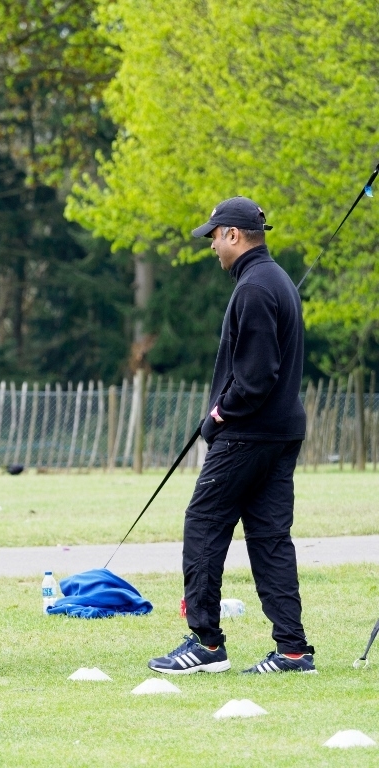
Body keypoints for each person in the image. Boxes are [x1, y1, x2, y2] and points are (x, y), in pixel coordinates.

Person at [149, 196, 315, 675]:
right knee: (270, 537)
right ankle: (292, 651)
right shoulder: (276, 280)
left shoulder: (254, 288)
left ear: (233, 235)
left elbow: (256, 378)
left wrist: (218, 415)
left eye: (214, 237)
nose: (212, 247)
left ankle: (206, 643)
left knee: (204, 522)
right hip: (280, 432)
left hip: (248, 433)